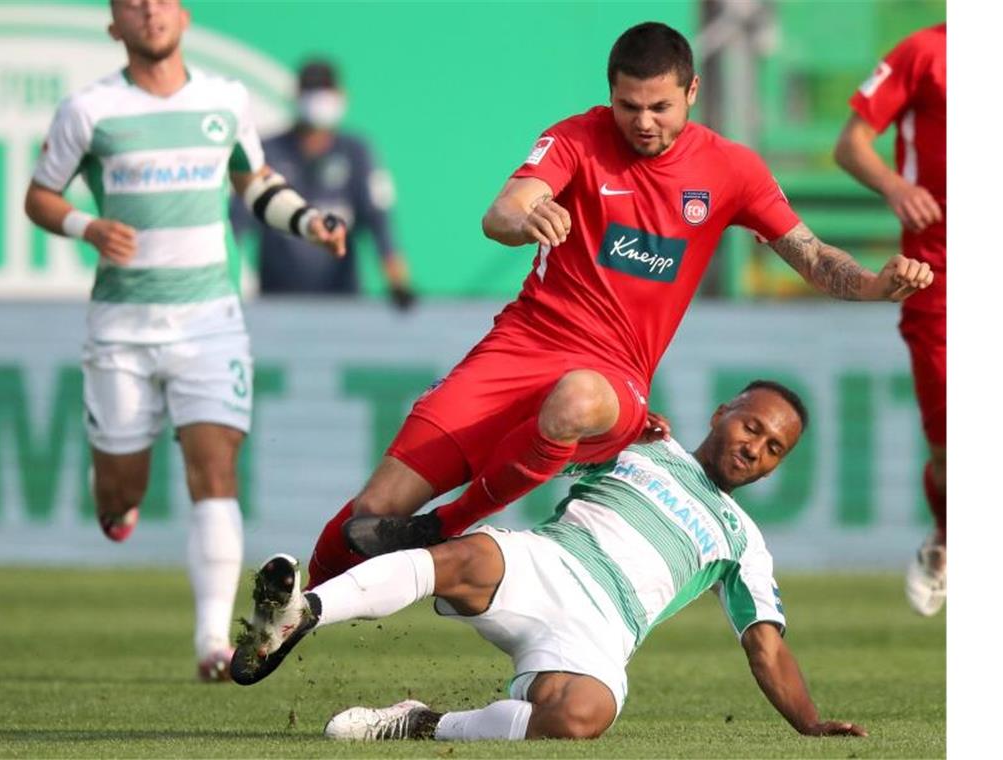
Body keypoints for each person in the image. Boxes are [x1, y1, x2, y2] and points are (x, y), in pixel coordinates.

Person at [304, 21, 934, 588]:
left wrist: (878, 285)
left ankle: (448, 523)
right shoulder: (577, 137)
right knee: (373, 513)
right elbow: (502, 211)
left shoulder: (732, 170)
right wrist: (526, 219)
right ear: (611, 94)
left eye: (660, 106)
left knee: (578, 396)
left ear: (692, 93)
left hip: (615, 378)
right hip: (519, 348)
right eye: (628, 106)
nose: (643, 122)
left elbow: (813, 256)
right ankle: (291, 613)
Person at [232, 381, 868, 743]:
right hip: (548, 561)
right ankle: (303, 609)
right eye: (752, 426)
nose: (756, 448)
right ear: (721, 412)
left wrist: (808, 724)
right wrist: (610, 429)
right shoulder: (644, 443)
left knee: (581, 718)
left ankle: (421, 723)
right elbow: (542, 435)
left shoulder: (743, 539)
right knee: (462, 558)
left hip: (603, 631)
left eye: (774, 448)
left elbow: (766, 646)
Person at [22, 0, 346, 680]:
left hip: (209, 321)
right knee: (119, 490)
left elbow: (254, 183)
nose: (149, 10)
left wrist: (308, 219)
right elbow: (39, 196)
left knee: (215, 470)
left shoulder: (225, 101)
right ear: (115, 25)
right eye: (132, 4)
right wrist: (87, 225)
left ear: (184, 15)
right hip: (122, 327)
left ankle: (211, 644)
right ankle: (118, 504)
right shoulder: (90, 110)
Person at [833, 23, 946, 617]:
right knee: (951, 443)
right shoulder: (923, 52)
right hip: (938, 277)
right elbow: (851, 143)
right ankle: (948, 534)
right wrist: (896, 185)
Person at [229, 59, 416, 308]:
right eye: (311, 92)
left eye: (326, 92)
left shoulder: (356, 152)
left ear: (342, 96)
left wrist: (398, 284)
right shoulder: (268, 152)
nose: (318, 100)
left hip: (342, 303)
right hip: (277, 304)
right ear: (296, 96)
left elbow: (379, 223)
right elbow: (235, 227)